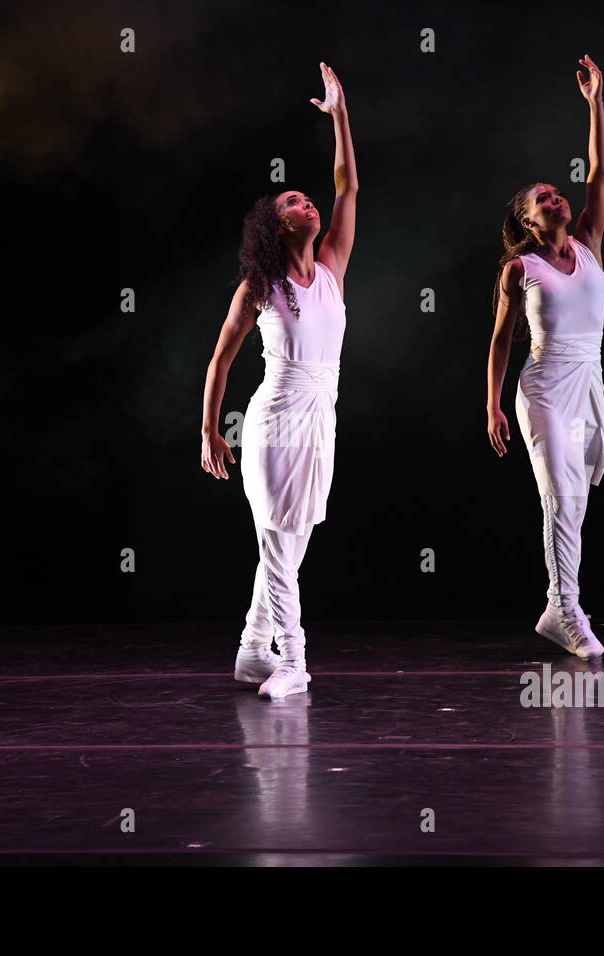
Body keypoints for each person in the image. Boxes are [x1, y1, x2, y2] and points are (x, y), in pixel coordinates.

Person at [200, 63, 358, 698]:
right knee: (275, 535)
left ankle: (248, 650)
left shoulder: (332, 268)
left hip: (323, 418)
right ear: (276, 225)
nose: (307, 199)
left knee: (293, 541)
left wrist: (340, 116)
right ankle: (292, 659)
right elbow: (220, 361)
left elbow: (347, 186)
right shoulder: (258, 288)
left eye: (305, 194)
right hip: (274, 420)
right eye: (292, 200)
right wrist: (211, 431)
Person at [488, 54, 604, 659]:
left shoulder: (589, 244)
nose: (558, 197)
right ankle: (567, 608)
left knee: (579, 500)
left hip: (589, 383)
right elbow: (500, 341)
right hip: (542, 389)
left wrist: (594, 104)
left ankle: (558, 606)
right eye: (545, 197)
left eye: (559, 193)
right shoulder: (522, 269)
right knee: (559, 496)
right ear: (528, 221)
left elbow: (601, 174)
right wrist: (492, 406)